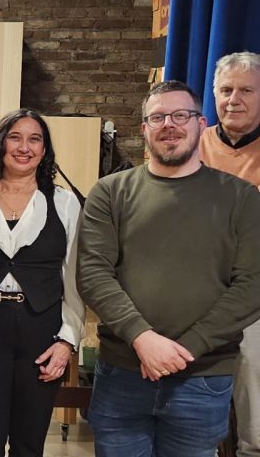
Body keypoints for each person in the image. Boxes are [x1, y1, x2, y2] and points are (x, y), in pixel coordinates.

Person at [78, 81, 260, 456]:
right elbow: (94, 274)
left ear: (201, 123)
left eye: (181, 115)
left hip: (201, 377)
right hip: (122, 374)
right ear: (144, 128)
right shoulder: (110, 192)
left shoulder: (240, 197)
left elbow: (252, 285)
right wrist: (143, 339)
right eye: (157, 117)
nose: (169, 125)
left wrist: (186, 348)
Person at [0, 110, 85, 457]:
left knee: (30, 442)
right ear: (0, 144)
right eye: (15, 137)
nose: (24, 147)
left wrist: (67, 342)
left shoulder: (64, 203)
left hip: (41, 332)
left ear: (44, 150)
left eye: (35, 139)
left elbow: (74, 279)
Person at [199, 52, 260, 456]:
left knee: (254, 383)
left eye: (246, 90)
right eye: (226, 90)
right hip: (199, 288)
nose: (234, 99)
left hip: (255, 291)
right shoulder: (192, 143)